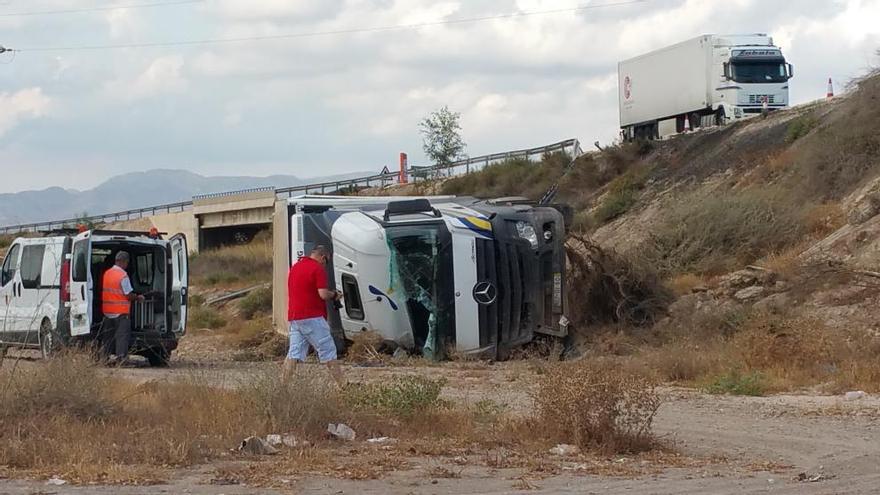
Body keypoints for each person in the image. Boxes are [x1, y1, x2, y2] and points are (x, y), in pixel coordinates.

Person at [283, 245, 345, 386]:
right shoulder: (317, 269)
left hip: (295, 317)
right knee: (328, 350)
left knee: (294, 353)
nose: (325, 264)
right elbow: (323, 294)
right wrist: (335, 294)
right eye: (326, 261)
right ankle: (343, 385)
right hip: (312, 317)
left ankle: (283, 385)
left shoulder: (295, 267)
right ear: (323, 258)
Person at [100, 251, 143, 365]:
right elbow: (128, 294)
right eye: (127, 262)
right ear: (123, 262)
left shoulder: (107, 273)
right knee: (122, 337)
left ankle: (104, 358)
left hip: (108, 311)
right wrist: (138, 297)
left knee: (108, 337)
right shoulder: (123, 276)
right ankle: (121, 359)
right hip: (121, 312)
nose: (127, 265)